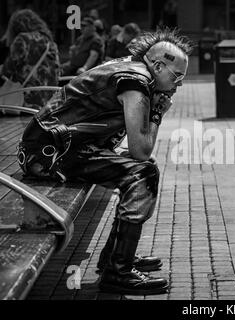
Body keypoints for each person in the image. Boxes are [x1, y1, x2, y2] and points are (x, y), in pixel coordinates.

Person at [18, 28, 192, 295]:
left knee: (143, 170)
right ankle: (117, 272)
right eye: (177, 76)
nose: (178, 84)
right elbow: (141, 150)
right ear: (157, 66)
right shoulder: (135, 80)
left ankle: (116, 258)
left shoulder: (131, 70)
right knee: (142, 174)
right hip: (51, 153)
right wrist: (157, 111)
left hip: (59, 147)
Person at [0, 9, 60, 110]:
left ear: (16, 26)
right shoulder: (50, 42)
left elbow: (7, 71)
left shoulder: (22, 39)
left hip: (26, 104)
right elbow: (58, 72)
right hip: (50, 103)